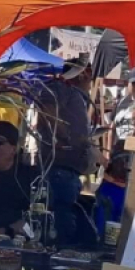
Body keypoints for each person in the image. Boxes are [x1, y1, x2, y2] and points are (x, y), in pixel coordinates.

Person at [37, 56, 99, 248]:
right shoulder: (59, 87)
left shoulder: (70, 92)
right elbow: (46, 111)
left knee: (66, 218)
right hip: (59, 169)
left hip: (67, 170)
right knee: (61, 223)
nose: (90, 82)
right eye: (90, 77)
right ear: (83, 74)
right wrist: (67, 138)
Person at [111, 67, 135, 147]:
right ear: (129, 84)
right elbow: (112, 128)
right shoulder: (121, 103)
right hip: (118, 148)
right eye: (134, 83)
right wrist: (108, 150)